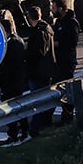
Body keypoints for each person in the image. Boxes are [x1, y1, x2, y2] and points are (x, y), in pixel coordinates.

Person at [0, 12, 28, 144]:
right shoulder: (19, 40)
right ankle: (23, 131)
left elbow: (6, 67)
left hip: (10, 83)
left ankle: (14, 134)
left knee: (10, 110)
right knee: (19, 107)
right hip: (17, 82)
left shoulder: (10, 45)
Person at [23, 7, 55, 137]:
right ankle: (45, 123)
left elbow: (38, 53)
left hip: (38, 72)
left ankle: (35, 128)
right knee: (45, 99)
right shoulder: (47, 28)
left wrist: (26, 54)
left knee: (37, 101)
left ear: (30, 18)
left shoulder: (38, 33)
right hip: (46, 70)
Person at [51, 0, 80, 124]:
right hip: (58, 61)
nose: (52, 10)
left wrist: (58, 44)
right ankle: (60, 114)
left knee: (67, 88)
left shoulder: (71, 22)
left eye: (54, 7)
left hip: (68, 61)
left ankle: (68, 115)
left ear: (61, 8)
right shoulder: (58, 22)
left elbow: (73, 41)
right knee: (56, 88)